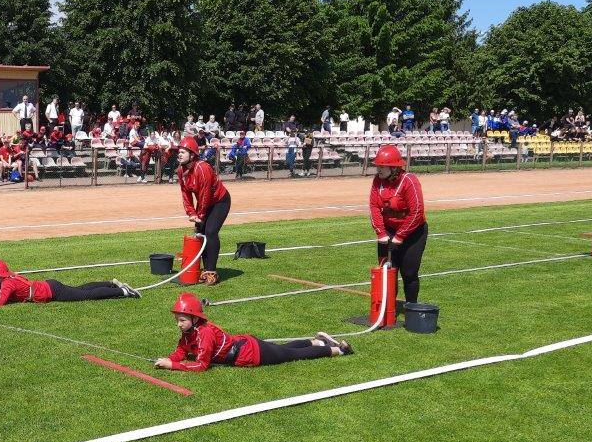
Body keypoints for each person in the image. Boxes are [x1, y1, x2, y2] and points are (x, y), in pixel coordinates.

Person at [154, 292, 352, 372]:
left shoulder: (203, 333)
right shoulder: (190, 332)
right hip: (247, 345)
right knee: (284, 350)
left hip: (251, 353)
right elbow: (182, 350)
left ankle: (338, 350)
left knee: (292, 355)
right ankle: (316, 341)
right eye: (177, 320)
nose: (179, 324)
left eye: (182, 320)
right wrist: (171, 358)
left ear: (195, 318)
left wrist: (173, 366)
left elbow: (201, 365)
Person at [369, 144, 428, 305]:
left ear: (393, 167)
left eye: (382, 166)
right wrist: (381, 232)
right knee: (387, 272)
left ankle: (411, 308)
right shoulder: (377, 181)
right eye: (378, 166)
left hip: (413, 233)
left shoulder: (409, 181)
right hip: (388, 231)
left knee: (409, 272)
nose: (378, 169)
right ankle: (388, 309)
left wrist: (400, 236)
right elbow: (374, 206)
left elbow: (416, 211)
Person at [176, 136, 231, 286]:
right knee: (200, 233)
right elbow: (185, 194)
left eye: (183, 152)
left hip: (220, 202)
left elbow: (205, 194)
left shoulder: (202, 168)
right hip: (204, 203)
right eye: (179, 152)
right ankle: (204, 270)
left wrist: (200, 215)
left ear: (192, 154)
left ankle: (211, 272)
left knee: (211, 232)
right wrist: (191, 213)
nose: (179, 154)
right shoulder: (181, 170)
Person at [0, 259, 139, 305]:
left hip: (53, 292)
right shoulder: (9, 278)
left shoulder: (7, 284)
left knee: (86, 295)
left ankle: (123, 291)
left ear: (0, 276)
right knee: (80, 289)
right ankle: (110, 283)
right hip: (51, 285)